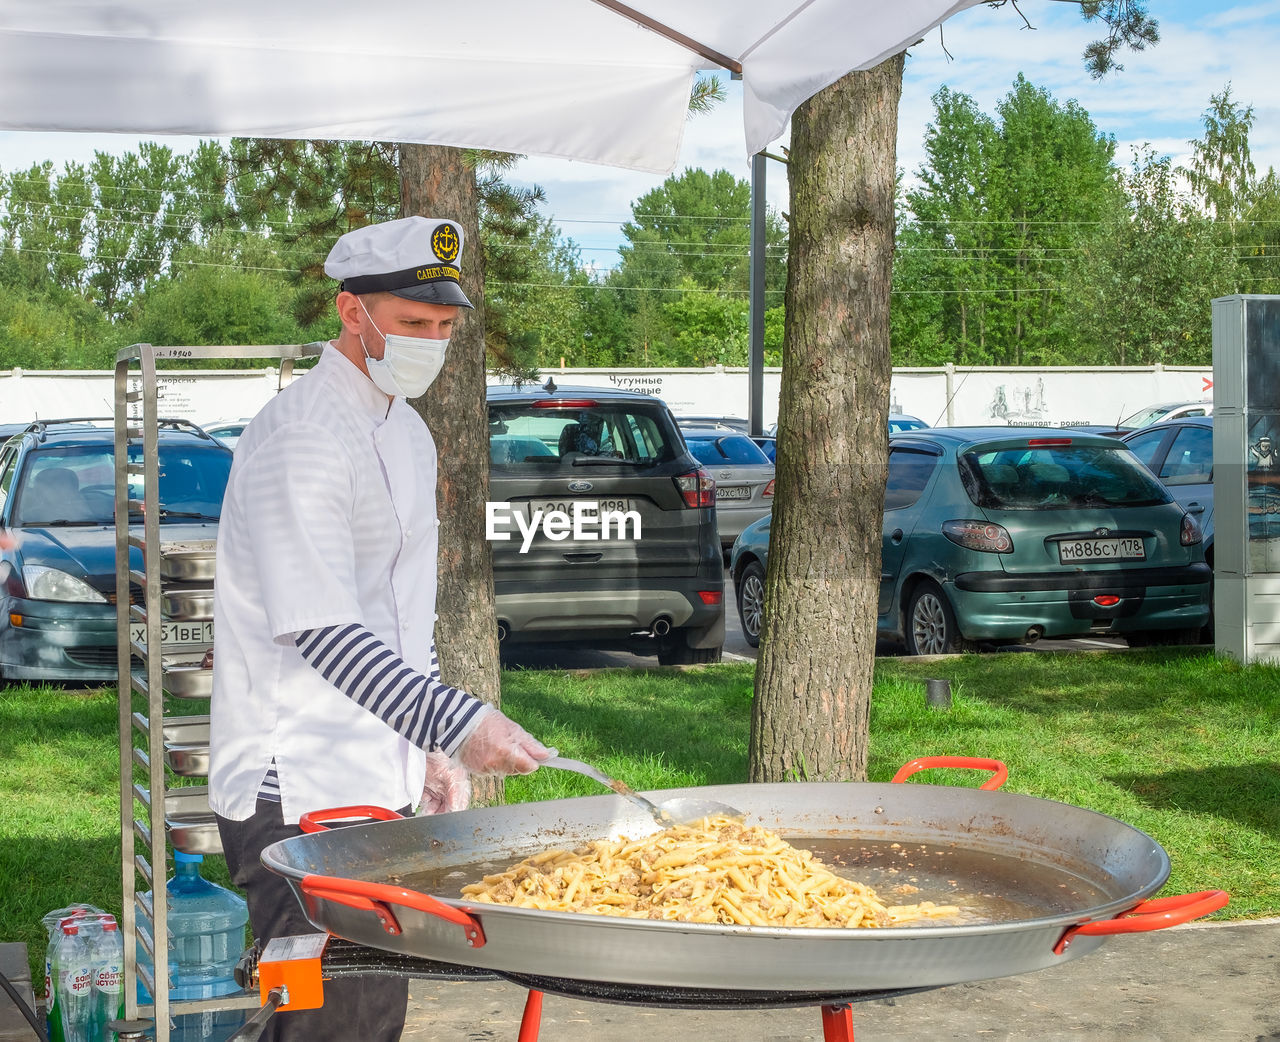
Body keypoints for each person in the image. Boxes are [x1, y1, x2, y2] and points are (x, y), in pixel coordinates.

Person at [209, 216, 553, 1041]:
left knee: (372, 1013)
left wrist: (426, 753)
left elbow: (403, 615)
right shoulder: (302, 436)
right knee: (333, 1021)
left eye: (443, 327)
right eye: (412, 324)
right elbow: (324, 632)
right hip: (292, 787)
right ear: (351, 312)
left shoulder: (408, 430)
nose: (430, 342)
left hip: (374, 779)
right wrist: (459, 723)